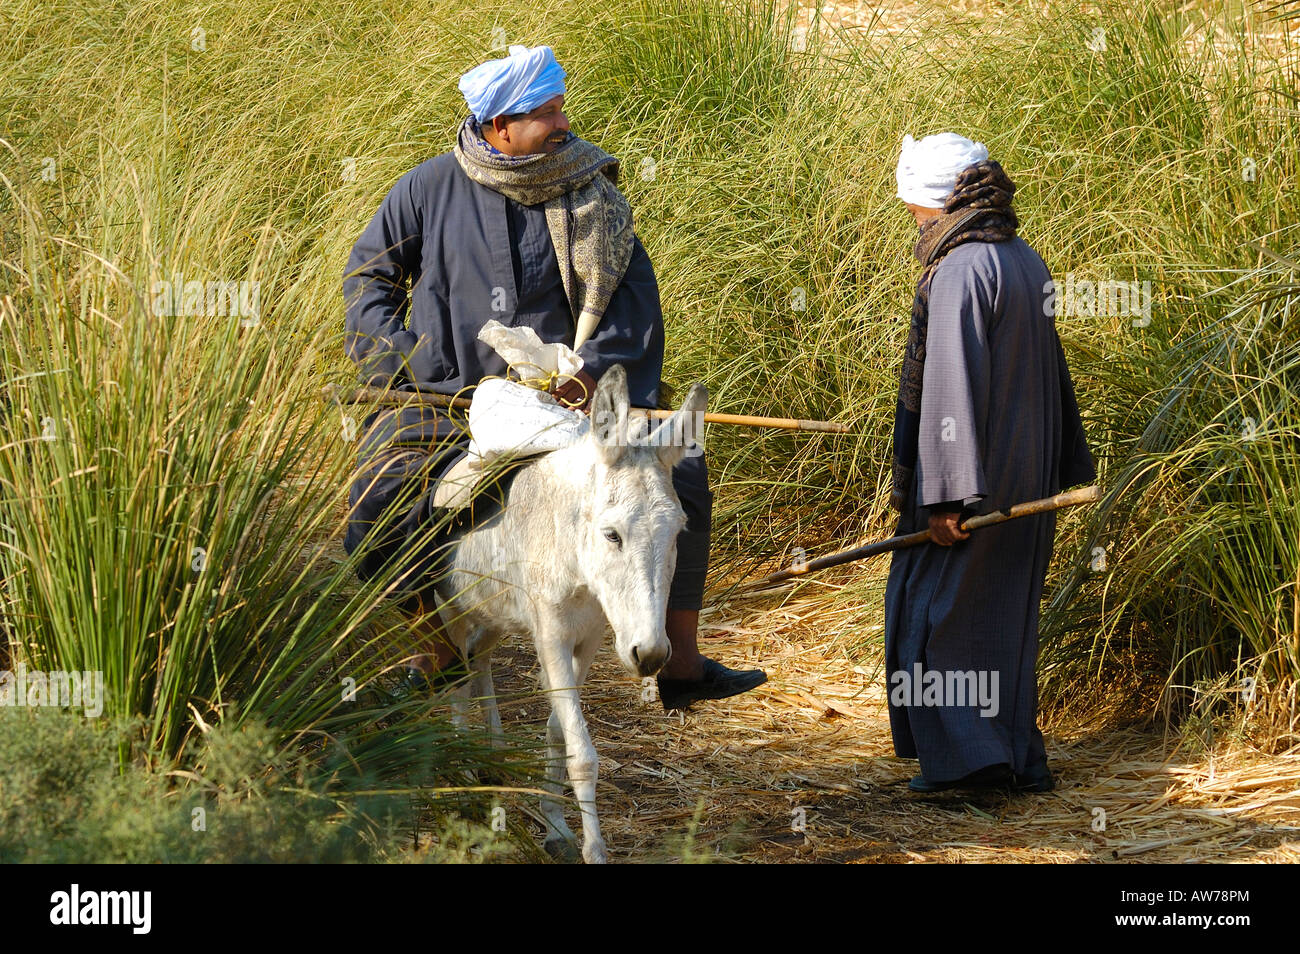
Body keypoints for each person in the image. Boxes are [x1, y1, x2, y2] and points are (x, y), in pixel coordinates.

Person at [341, 44, 766, 708]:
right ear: (499, 126)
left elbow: (628, 297)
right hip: (445, 396)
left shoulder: (589, 192)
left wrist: (593, 376)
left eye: (561, 106)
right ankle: (438, 647)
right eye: (545, 113)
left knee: (682, 469)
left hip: (570, 403)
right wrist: (407, 360)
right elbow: (368, 279)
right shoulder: (425, 189)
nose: (562, 123)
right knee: (378, 495)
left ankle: (678, 664)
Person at [883, 132, 1096, 793]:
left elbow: (950, 382)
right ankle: (1014, 759)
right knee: (1004, 617)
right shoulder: (1024, 259)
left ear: (934, 204)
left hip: (972, 485)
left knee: (940, 613)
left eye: (914, 210)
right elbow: (1054, 378)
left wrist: (945, 498)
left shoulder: (959, 271)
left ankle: (967, 769)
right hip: (1022, 475)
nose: (913, 222)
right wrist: (1064, 464)